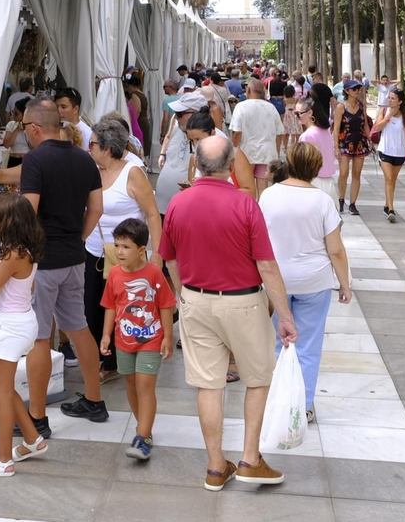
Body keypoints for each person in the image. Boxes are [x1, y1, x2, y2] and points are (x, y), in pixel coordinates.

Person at [160, 136, 296, 491]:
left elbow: (168, 256)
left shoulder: (177, 203)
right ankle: (250, 458)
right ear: (232, 163)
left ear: (197, 163)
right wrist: (284, 315)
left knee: (208, 385)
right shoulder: (246, 204)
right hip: (243, 303)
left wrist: (181, 294)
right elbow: (266, 265)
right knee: (258, 378)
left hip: (195, 300)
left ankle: (216, 466)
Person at [17, 101, 107, 433]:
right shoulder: (84, 158)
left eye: (25, 126)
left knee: (40, 338)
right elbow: (96, 209)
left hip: (43, 260)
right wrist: (77, 238)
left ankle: (37, 417)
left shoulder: (35, 160)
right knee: (79, 329)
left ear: (34, 128)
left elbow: (28, 213)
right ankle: (94, 401)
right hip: (73, 257)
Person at [260, 145, 351, 424]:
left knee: (278, 341)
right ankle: (305, 405)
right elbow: (335, 249)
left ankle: (276, 400)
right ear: (315, 167)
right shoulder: (323, 201)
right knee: (308, 345)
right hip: (314, 280)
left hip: (277, 279)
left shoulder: (268, 196)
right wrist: (344, 284)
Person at [0, 194, 49, 477]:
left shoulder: (12, 255)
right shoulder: (23, 250)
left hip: (10, 328)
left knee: (1, 391)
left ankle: (2, 460)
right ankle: (32, 439)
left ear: (8, 222)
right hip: (21, 323)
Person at [86, 115, 162, 382]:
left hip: (126, 256)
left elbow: (153, 215)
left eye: (92, 144)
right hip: (94, 251)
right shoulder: (91, 170)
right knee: (92, 308)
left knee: (123, 309)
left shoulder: (133, 173)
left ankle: (115, 361)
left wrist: (157, 255)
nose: (88, 148)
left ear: (107, 148)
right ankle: (104, 355)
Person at [100, 217, 176, 461]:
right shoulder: (114, 274)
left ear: (142, 249)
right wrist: (106, 334)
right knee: (131, 386)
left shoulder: (153, 273)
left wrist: (167, 336)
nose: (119, 251)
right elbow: (110, 306)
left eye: (126, 246)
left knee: (145, 386)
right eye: (117, 245)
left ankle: (142, 438)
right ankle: (144, 429)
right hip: (123, 341)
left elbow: (166, 305)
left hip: (151, 340)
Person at [230, 79, 285, 197]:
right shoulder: (271, 108)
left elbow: (237, 133)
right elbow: (279, 133)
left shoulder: (241, 107)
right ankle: (261, 212)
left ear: (248, 90)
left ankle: (248, 213)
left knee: (247, 187)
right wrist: (277, 152)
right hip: (267, 152)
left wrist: (233, 150)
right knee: (262, 188)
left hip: (246, 153)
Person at [184, 110, 255, 197]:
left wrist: (212, 189)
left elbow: (250, 192)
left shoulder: (235, 155)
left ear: (213, 133)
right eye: (191, 140)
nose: (195, 144)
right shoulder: (194, 158)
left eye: (199, 139)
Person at [156, 92, 206, 213]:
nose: (176, 117)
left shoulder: (214, 142)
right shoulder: (177, 125)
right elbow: (168, 136)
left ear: (196, 114)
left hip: (187, 208)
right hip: (162, 204)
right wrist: (162, 154)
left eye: (180, 113)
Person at [332, 79, 372, 215]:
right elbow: (336, 128)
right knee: (343, 173)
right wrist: (336, 147)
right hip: (344, 142)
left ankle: (353, 203)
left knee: (357, 173)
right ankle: (341, 199)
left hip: (359, 142)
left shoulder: (362, 106)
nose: (357, 91)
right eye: (354, 89)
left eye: (358, 89)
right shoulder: (341, 107)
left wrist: (370, 139)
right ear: (347, 91)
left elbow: (365, 123)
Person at [373, 89, 405, 223]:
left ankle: (386, 205)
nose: (389, 101)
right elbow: (377, 128)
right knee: (389, 178)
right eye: (389, 98)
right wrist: (388, 117)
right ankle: (391, 209)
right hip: (385, 150)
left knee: (392, 180)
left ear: (400, 101)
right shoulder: (384, 112)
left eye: (393, 99)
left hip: (399, 152)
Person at [298, 95, 337, 196]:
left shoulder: (307, 135)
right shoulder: (325, 132)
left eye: (299, 114)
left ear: (310, 113)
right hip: (329, 182)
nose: (297, 116)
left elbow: (303, 164)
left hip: (313, 182)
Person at [1, 97, 32, 167]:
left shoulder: (32, 126)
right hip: (13, 159)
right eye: (13, 112)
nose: (13, 115)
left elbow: (33, 147)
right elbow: (7, 144)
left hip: (28, 159)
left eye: (16, 113)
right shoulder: (11, 125)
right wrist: (17, 129)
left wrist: (26, 130)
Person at [275, 81, 302, 152]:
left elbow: (285, 107)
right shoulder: (296, 99)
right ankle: (295, 145)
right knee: (295, 132)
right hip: (294, 116)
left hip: (287, 116)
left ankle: (285, 146)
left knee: (286, 132)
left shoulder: (285, 100)